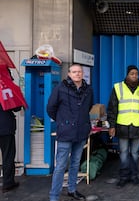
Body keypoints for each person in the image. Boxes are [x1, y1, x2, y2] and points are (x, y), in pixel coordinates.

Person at [47, 63, 93, 201]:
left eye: (79, 72)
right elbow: (50, 108)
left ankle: (72, 189)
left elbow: (89, 106)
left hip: (81, 131)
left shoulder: (88, 89)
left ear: (82, 73)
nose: (77, 74)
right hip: (66, 132)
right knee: (61, 165)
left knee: (75, 163)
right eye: (74, 72)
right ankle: (54, 196)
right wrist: (62, 121)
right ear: (69, 74)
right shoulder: (60, 89)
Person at [107, 65, 139, 188]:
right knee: (124, 153)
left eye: (136, 73)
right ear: (127, 74)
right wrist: (112, 126)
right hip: (122, 126)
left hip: (138, 126)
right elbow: (112, 108)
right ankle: (124, 177)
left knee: (135, 153)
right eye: (132, 73)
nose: (134, 76)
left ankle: (134, 176)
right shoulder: (118, 87)